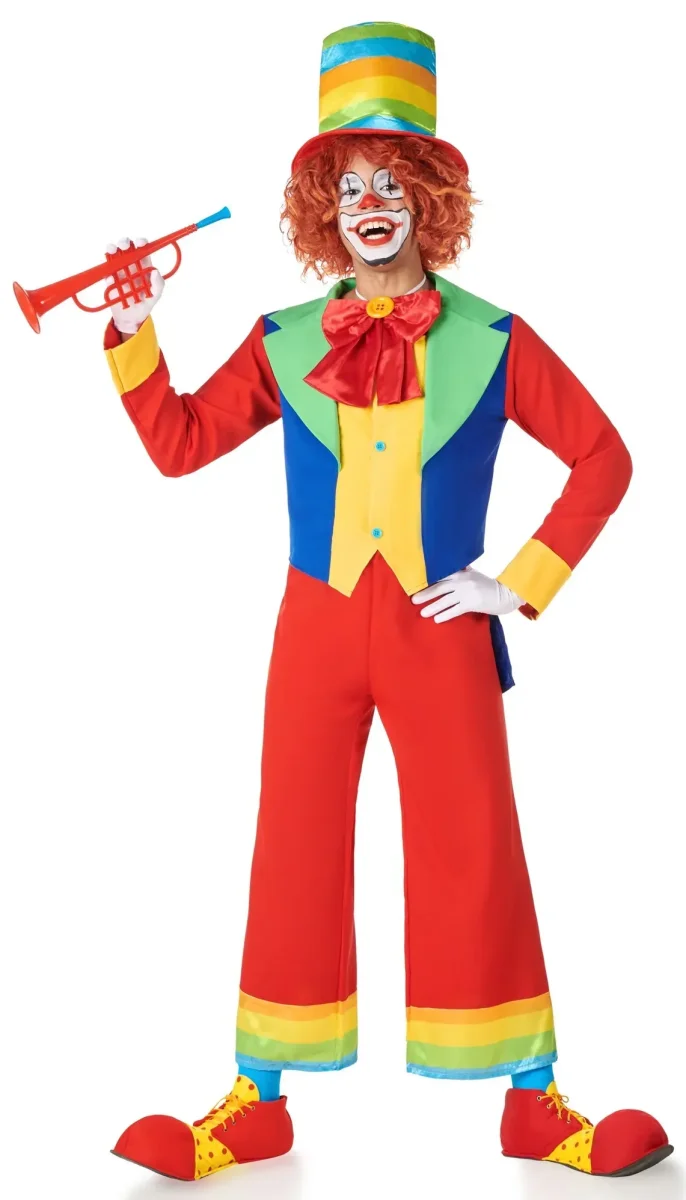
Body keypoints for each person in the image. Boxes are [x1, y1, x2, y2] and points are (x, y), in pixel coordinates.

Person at [107, 20, 672, 1182]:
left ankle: (531, 1099)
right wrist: (131, 335)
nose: (369, 205)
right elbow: (179, 444)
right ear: (323, 206)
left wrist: (515, 584)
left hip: (438, 628)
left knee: (475, 843)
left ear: (428, 198)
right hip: (312, 626)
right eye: (348, 185)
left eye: (390, 182)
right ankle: (257, 1098)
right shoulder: (281, 341)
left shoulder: (493, 339)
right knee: (291, 846)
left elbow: (603, 458)